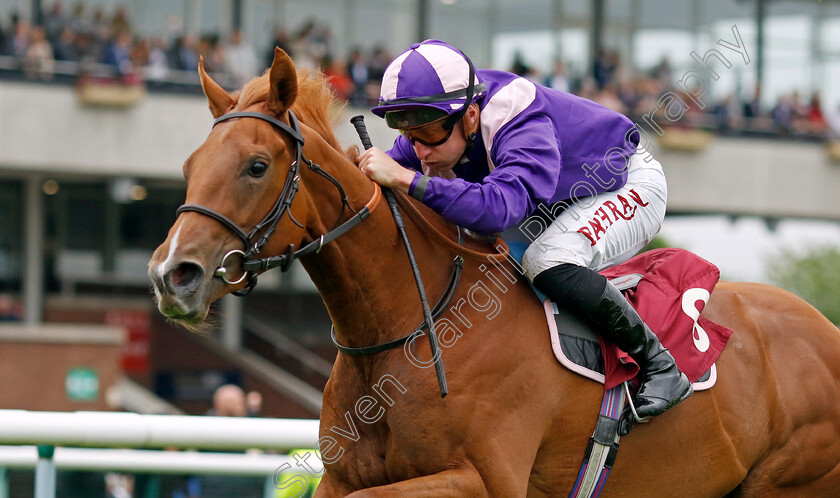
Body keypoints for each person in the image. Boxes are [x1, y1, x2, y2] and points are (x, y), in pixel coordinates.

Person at [358, 39, 692, 431]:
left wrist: (406, 178)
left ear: (469, 115)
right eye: (408, 133)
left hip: (623, 183)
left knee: (546, 260)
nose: (419, 149)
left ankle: (660, 364)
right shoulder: (434, 129)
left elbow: (501, 208)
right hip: (556, 201)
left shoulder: (515, 114)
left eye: (429, 132)